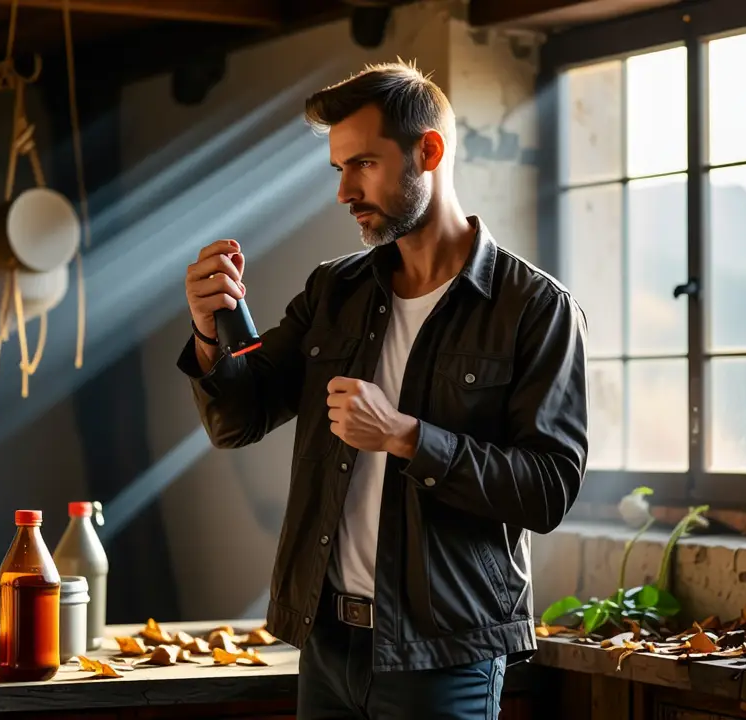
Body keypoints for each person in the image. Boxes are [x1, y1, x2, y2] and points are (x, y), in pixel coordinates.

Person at [178, 60, 589, 719]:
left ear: (428, 151)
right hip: (327, 644)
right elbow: (237, 420)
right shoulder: (332, 291)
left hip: (444, 657)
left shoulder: (536, 308)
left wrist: (407, 437)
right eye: (339, 168)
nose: (344, 191)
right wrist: (207, 334)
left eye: (363, 164)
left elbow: (547, 489)